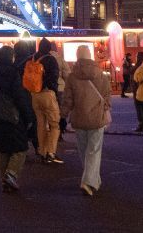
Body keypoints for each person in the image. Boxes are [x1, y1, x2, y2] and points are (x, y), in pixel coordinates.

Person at [62, 45, 111, 196]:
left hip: (79, 117)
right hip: (96, 118)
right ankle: (89, 181)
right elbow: (107, 96)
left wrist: (63, 114)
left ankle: (92, 180)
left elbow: (68, 100)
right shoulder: (101, 75)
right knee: (94, 150)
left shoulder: (72, 76)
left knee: (83, 150)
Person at [0, 45, 34, 193]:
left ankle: (4, 180)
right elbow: (19, 97)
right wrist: (28, 116)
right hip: (13, 115)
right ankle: (11, 174)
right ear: (11, 56)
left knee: (3, 149)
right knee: (20, 147)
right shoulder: (13, 72)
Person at [28, 38, 63, 164]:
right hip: (47, 94)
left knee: (41, 124)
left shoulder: (32, 58)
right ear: (49, 48)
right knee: (54, 124)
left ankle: (42, 151)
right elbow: (54, 77)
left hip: (34, 95)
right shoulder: (50, 59)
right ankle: (51, 152)